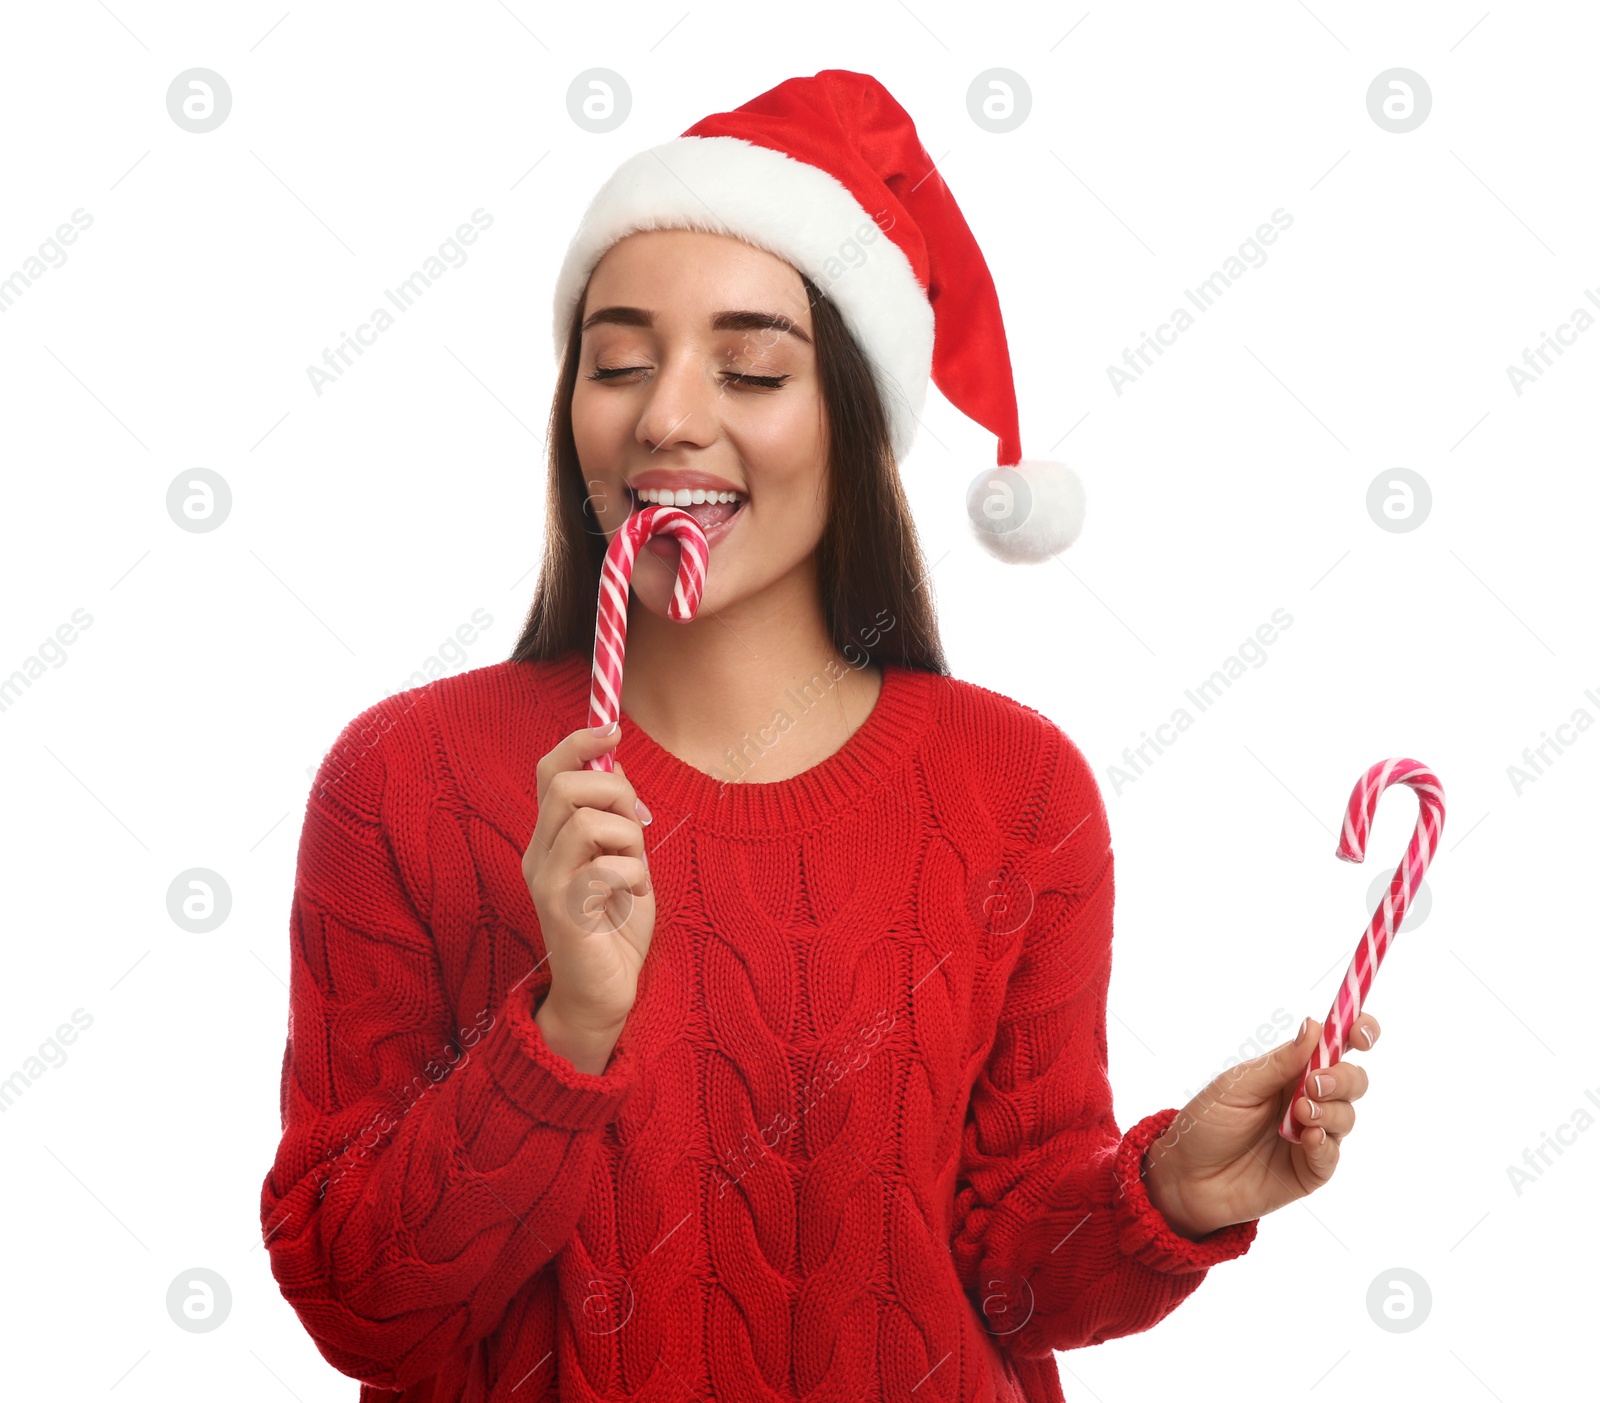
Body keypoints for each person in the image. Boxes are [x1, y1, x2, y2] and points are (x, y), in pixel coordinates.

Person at [260, 70, 1377, 1403]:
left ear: (852, 419)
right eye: (618, 362)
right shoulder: (404, 781)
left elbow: (1010, 1280)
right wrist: (562, 1028)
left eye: (750, 367)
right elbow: (358, 1305)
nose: (667, 414)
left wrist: (1169, 1197)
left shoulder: (1017, 790)